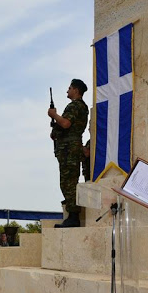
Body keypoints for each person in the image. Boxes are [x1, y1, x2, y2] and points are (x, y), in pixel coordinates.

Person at [48, 78, 89, 228]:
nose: (67, 90)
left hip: (69, 149)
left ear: (76, 90)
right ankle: (72, 215)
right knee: (69, 181)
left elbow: (66, 123)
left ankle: (73, 217)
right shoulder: (82, 107)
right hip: (70, 147)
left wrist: (54, 115)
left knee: (68, 183)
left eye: (70, 88)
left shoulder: (75, 106)